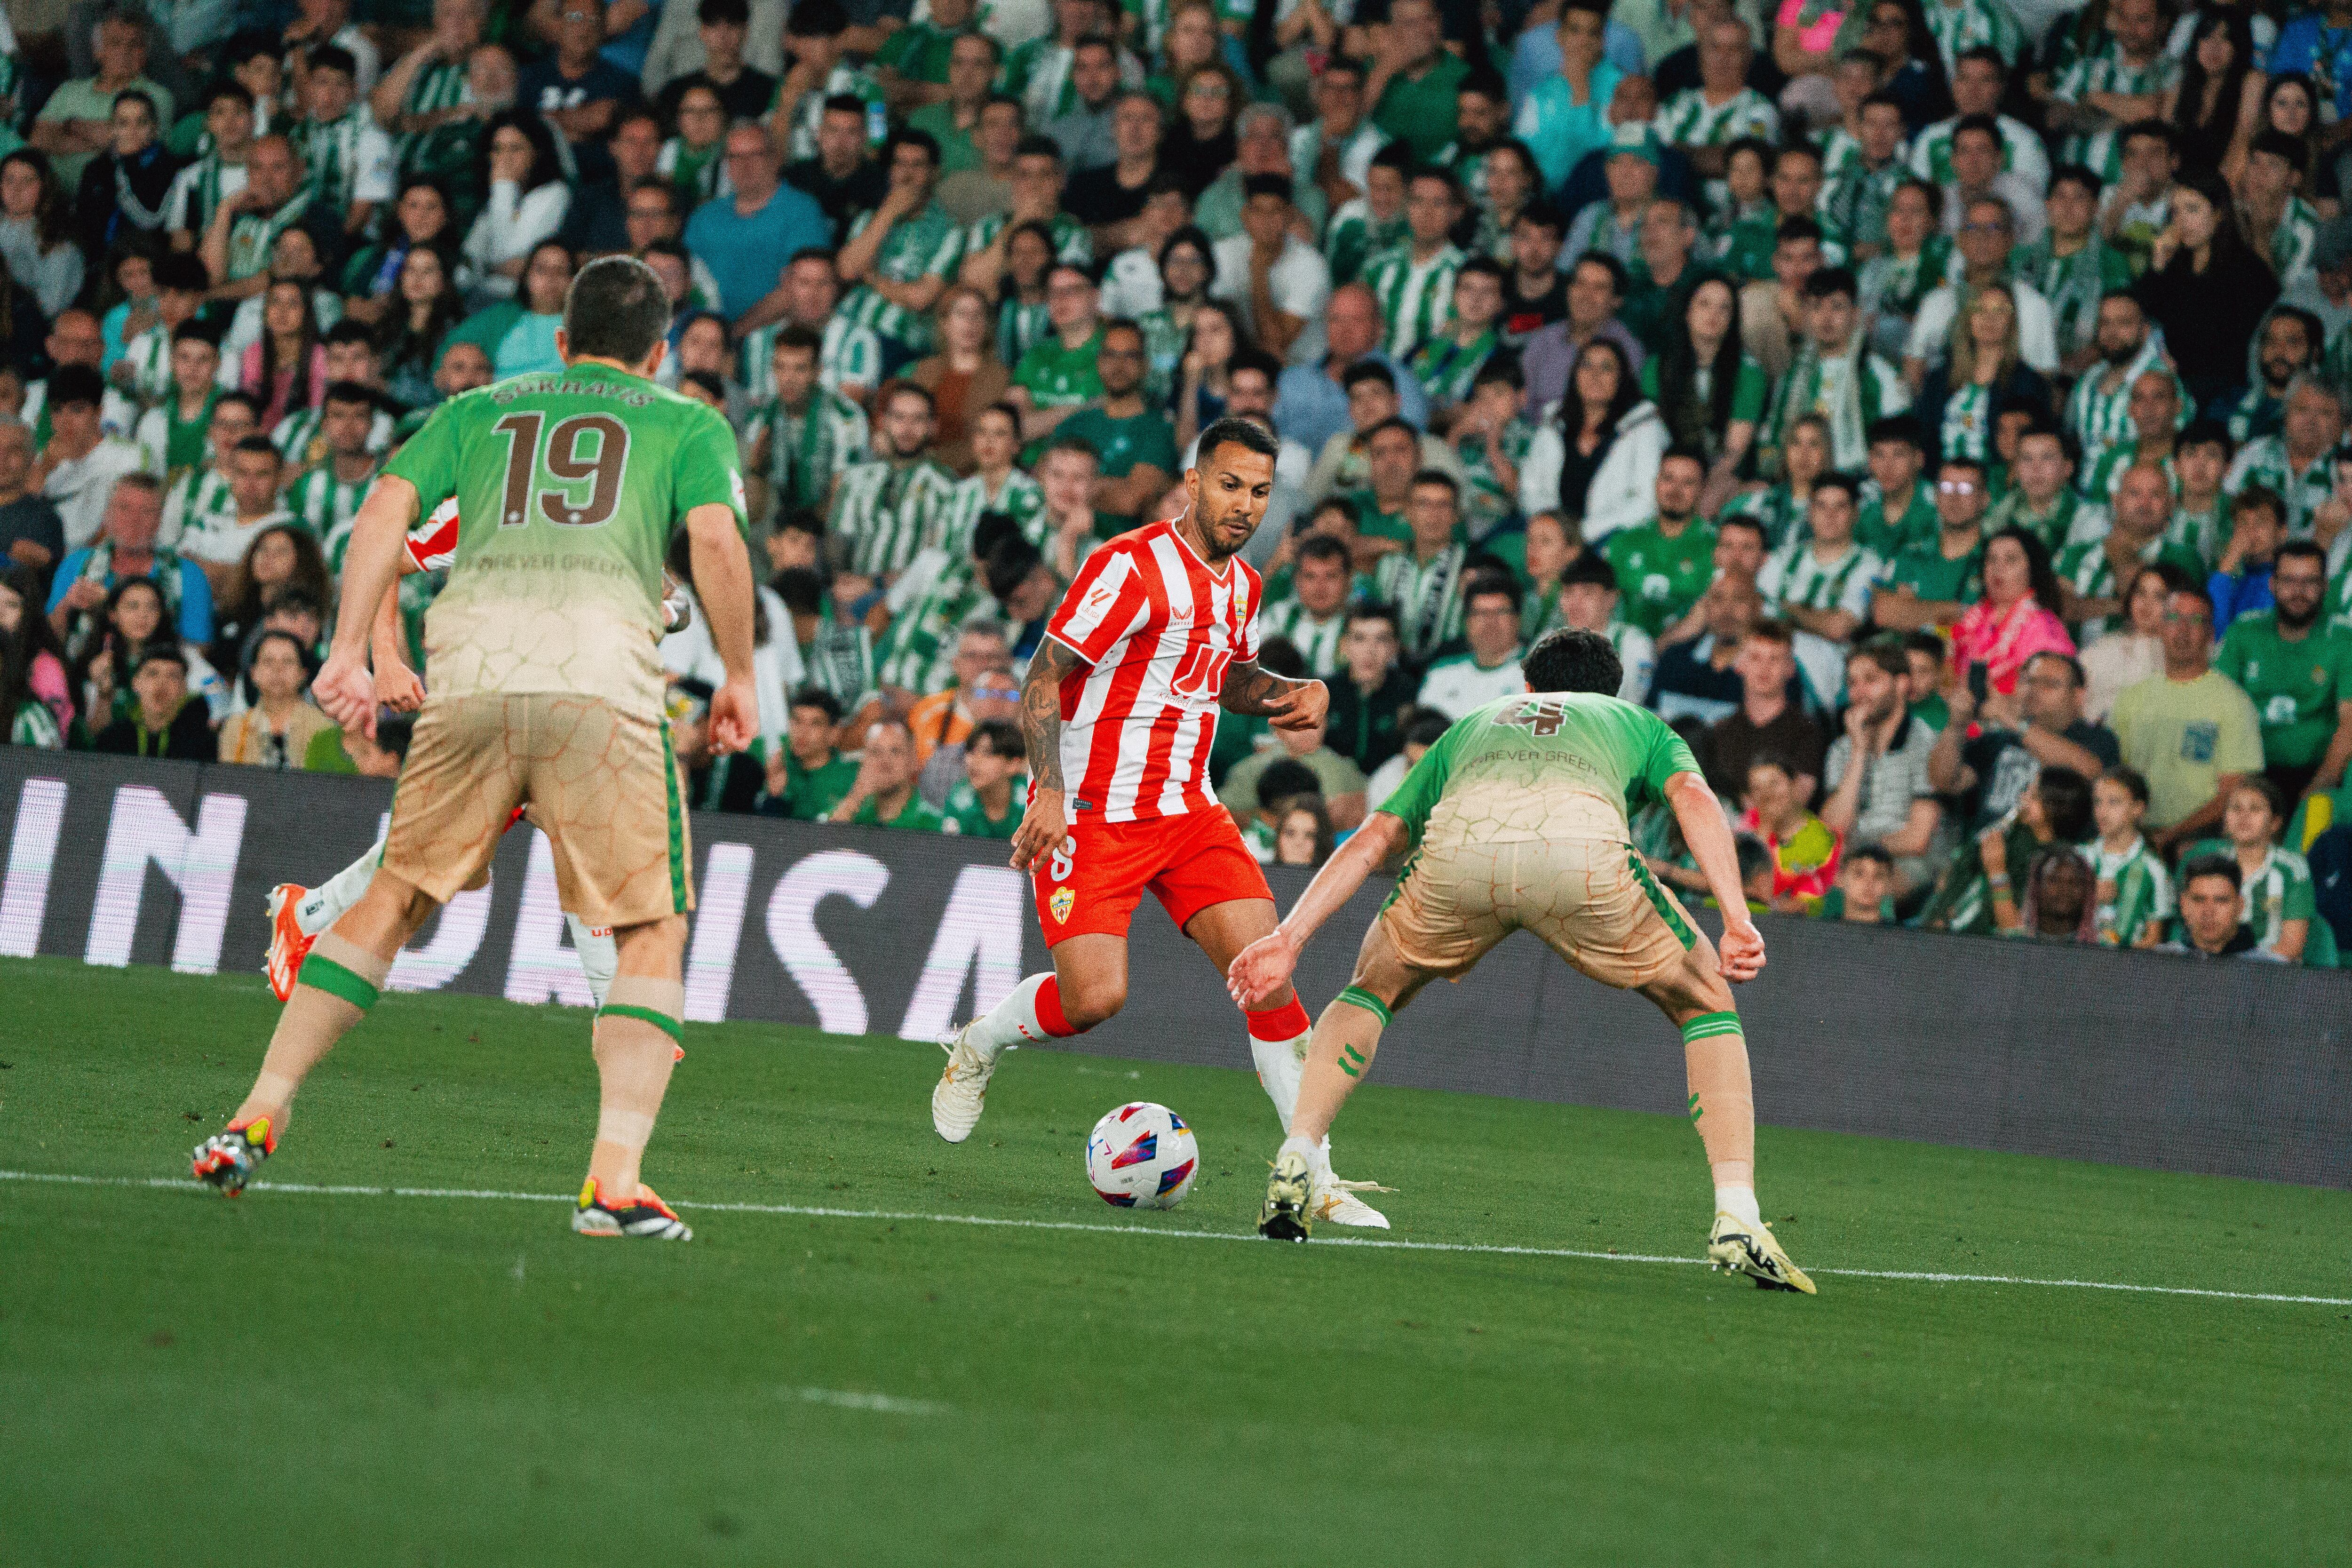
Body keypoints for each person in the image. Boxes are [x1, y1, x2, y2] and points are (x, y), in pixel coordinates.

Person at [193, 255, 761, 1244]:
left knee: (402, 898)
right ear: (661, 352)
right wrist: (743, 673)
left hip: (480, 681)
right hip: (595, 695)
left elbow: (382, 512)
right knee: (647, 926)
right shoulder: (685, 425)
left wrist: (342, 650)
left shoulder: (483, 414)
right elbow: (715, 541)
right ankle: (613, 1175)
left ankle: (262, 1103)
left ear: (558, 337)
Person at [1224, 627, 1811, 1288]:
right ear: (1609, 694)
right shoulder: (1634, 721)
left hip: (1460, 854)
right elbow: (1695, 799)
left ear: (1527, 690)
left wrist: (1290, 937)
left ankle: (1298, 1155)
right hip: (1581, 856)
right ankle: (1737, 1213)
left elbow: (1376, 836)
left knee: (1370, 988)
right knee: (1706, 1001)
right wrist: (1735, 916)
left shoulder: (1475, 722)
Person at [930, 417, 1390, 1226]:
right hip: (1094, 816)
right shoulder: (1128, 567)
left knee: (1267, 972)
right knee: (1095, 998)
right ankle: (980, 1041)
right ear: (1192, 480)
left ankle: (1312, 1170)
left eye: (1259, 491)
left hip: (1189, 812)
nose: (1244, 504)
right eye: (1230, 485)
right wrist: (1046, 788)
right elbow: (1045, 673)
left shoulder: (1242, 583)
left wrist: (1291, 690)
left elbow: (1225, 676)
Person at [2109, 581, 2263, 853]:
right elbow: (2115, 777)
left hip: (2201, 839)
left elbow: (2235, 791)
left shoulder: (2232, 701)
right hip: (2134, 834)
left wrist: (2173, 834)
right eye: (2172, 618)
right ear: (2161, 630)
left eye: (2195, 621)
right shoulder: (2131, 698)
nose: (2182, 630)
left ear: (2211, 634)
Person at [2214, 541, 2352, 804]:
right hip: (2247, 771)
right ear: (2272, 585)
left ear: (2325, 587)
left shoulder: (2344, 638)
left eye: (2310, 582)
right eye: (2289, 581)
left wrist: (2321, 784)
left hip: (2317, 771)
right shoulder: (2245, 631)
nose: (2298, 592)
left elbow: (2350, 723)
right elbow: (2219, 704)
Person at [2132, 170, 2279, 410]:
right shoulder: (2175, 263)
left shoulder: (2247, 271)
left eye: (2192, 210)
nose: (2181, 221)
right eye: (2175, 211)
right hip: (2177, 386)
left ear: (2219, 213)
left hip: (2228, 392)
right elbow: (2143, 310)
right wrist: (2158, 263)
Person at [681, 121, 832, 326]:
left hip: (777, 340)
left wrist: (736, 334)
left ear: (775, 159)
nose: (744, 165)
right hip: (707, 342)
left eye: (755, 155)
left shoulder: (802, 211)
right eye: (735, 157)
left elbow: (801, 289)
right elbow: (684, 283)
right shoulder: (704, 217)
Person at [1822, 640, 1942, 892]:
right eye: (1853, 683)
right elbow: (1831, 831)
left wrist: (1861, 854)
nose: (1858, 693)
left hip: (1908, 865)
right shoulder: (1843, 748)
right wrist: (1858, 753)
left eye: (1871, 680)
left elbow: (1917, 839)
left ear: (1901, 684)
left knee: (1859, 888)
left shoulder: (1927, 743)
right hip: (1851, 863)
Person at [1519, 338, 1667, 538]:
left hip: (1612, 542)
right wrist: (1553, 532)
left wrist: (1584, 533)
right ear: (1575, 375)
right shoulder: (1554, 421)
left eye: (1606, 368)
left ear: (1621, 378)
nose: (1594, 376)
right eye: (1586, 365)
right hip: (1552, 541)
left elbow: (1647, 501)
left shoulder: (1645, 426)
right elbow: (1530, 486)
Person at [2179, 777, 2314, 961]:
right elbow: (2182, 926)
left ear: (2275, 823)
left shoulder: (2292, 868)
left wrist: (2238, 971)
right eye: (2236, 808)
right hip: (2206, 967)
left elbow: (2291, 946)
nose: (2244, 817)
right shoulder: (2206, 860)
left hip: (2270, 975)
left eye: (2255, 809)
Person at [1418, 572, 1527, 720]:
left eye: (1501, 612)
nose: (1490, 622)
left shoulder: (1536, 673)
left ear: (1517, 619)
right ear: (1466, 622)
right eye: (1480, 613)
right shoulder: (1441, 673)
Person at [92, 643, 215, 759]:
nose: (162, 683)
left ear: (184, 688)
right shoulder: (113, 738)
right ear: (136, 683)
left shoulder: (201, 742)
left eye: (173, 676)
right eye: (153, 674)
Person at [2158, 855, 2287, 960]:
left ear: (2240, 906)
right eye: (2199, 900)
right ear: (2184, 905)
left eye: (2221, 901)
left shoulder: (2270, 971)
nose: (2208, 912)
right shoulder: (2158, 963)